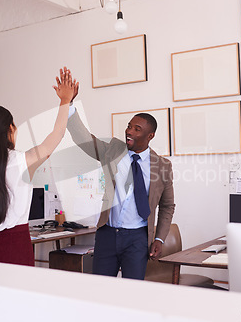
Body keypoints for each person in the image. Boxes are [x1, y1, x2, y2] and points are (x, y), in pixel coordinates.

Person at [56, 67, 175, 280]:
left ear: (150, 135)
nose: (129, 131)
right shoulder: (113, 150)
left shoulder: (162, 166)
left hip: (138, 238)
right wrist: (69, 104)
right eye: (129, 126)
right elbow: (83, 139)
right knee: (101, 289)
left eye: (137, 129)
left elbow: (167, 206)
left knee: (131, 292)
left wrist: (160, 239)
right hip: (108, 234)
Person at [0, 68, 76, 266]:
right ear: (11, 129)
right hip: (17, 251)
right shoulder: (24, 161)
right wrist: (65, 100)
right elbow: (56, 135)